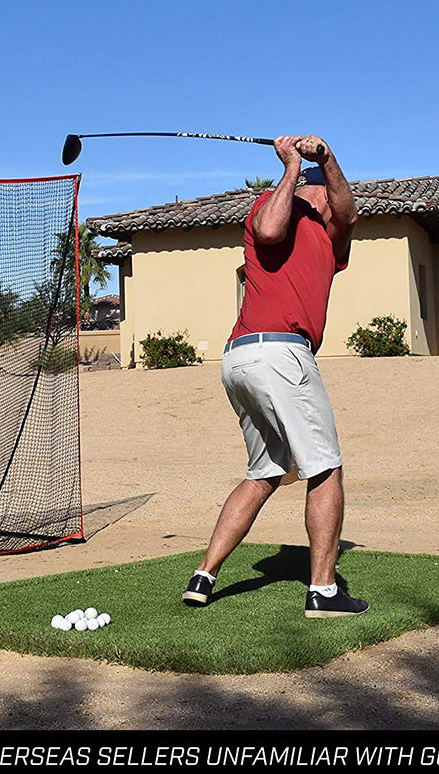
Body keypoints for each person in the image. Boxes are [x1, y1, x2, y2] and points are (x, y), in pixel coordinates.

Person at [182, 134, 369, 618]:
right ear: (313, 193)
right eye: (328, 191)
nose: (336, 201)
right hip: (278, 354)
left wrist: (328, 156)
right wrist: (290, 168)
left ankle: (204, 574)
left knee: (265, 472)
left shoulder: (333, 234)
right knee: (325, 467)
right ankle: (323, 592)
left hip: (243, 361)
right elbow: (268, 232)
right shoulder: (272, 209)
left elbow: (348, 214)